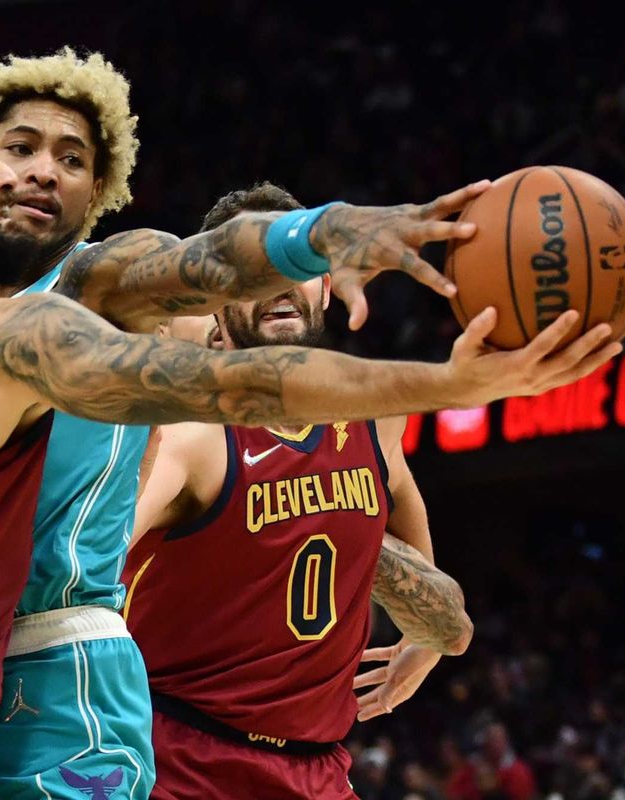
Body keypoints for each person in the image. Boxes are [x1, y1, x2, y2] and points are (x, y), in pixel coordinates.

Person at [0, 60, 619, 799]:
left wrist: (319, 235)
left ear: (102, 189)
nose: (38, 173)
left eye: (73, 157)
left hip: (16, 683)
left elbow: (208, 269)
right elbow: (237, 383)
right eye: (4, 153)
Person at [121, 182, 474, 799]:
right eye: (254, 267)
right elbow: (77, 567)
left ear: (328, 286)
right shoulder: (192, 434)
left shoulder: (374, 417)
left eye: (299, 263)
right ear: (215, 298)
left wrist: (426, 637)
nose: (279, 281)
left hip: (321, 770)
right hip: (181, 761)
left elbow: (406, 520)